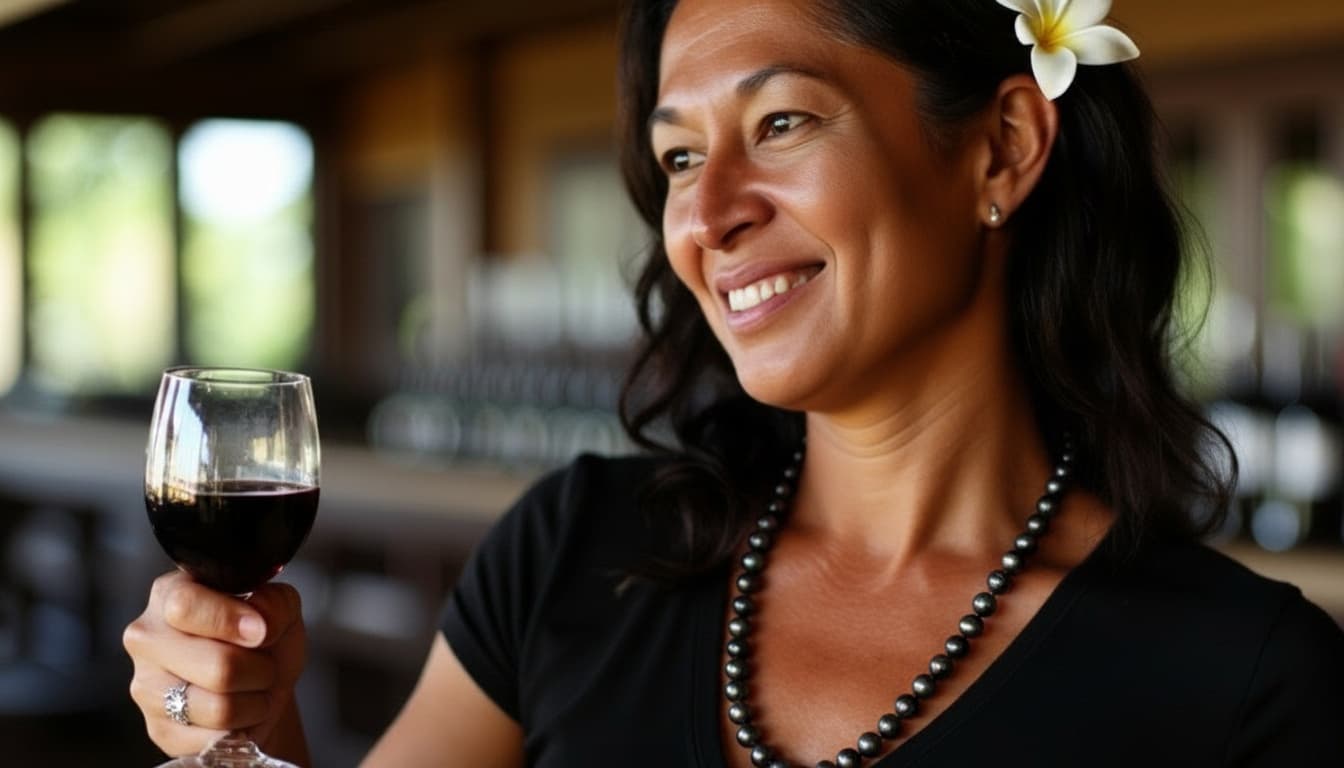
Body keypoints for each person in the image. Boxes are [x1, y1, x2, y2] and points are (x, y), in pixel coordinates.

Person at [123, 0, 1344, 765]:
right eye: (677, 156)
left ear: (1003, 148)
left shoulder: (1242, 682)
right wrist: (244, 731)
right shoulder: (570, 551)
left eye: (783, 125)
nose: (704, 215)